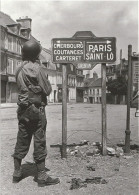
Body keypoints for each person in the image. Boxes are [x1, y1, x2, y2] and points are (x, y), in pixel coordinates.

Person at [12, 40, 60, 187]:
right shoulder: (37, 69)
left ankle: (17, 173)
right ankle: (42, 176)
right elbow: (47, 90)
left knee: (22, 140)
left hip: (23, 110)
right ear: (36, 54)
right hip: (36, 110)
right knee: (39, 141)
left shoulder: (18, 69)